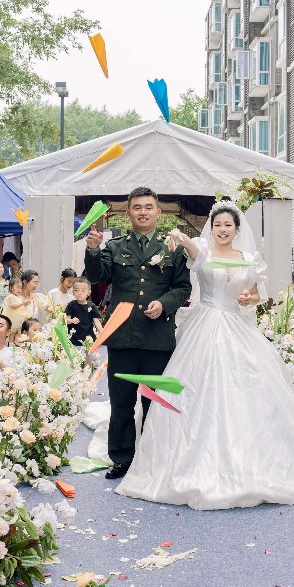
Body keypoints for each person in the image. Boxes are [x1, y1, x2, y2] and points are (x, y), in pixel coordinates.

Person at [116, 199, 294, 509]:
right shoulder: (203, 251)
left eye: (228, 225)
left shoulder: (249, 259)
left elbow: (257, 293)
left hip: (237, 326)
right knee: (194, 391)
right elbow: (188, 248)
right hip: (204, 326)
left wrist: (250, 298)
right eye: (218, 225)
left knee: (250, 389)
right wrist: (179, 236)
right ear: (211, 228)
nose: (222, 229)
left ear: (237, 229)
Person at [83, 187, 193, 482]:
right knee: (121, 402)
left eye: (148, 207)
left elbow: (183, 287)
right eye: (137, 207)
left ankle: (154, 460)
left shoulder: (173, 248)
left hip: (157, 338)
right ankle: (122, 459)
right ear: (128, 212)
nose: (143, 212)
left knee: (154, 402)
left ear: (158, 212)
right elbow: (97, 276)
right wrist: (92, 251)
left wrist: (165, 304)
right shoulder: (115, 246)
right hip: (122, 336)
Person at [64, 277, 102, 346]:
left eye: (83, 291)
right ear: (73, 292)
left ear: (89, 292)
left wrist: (102, 333)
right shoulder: (71, 305)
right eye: (76, 290)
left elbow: (96, 322)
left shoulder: (92, 306)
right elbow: (65, 319)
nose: (79, 293)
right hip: (73, 340)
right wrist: (71, 320)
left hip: (88, 340)